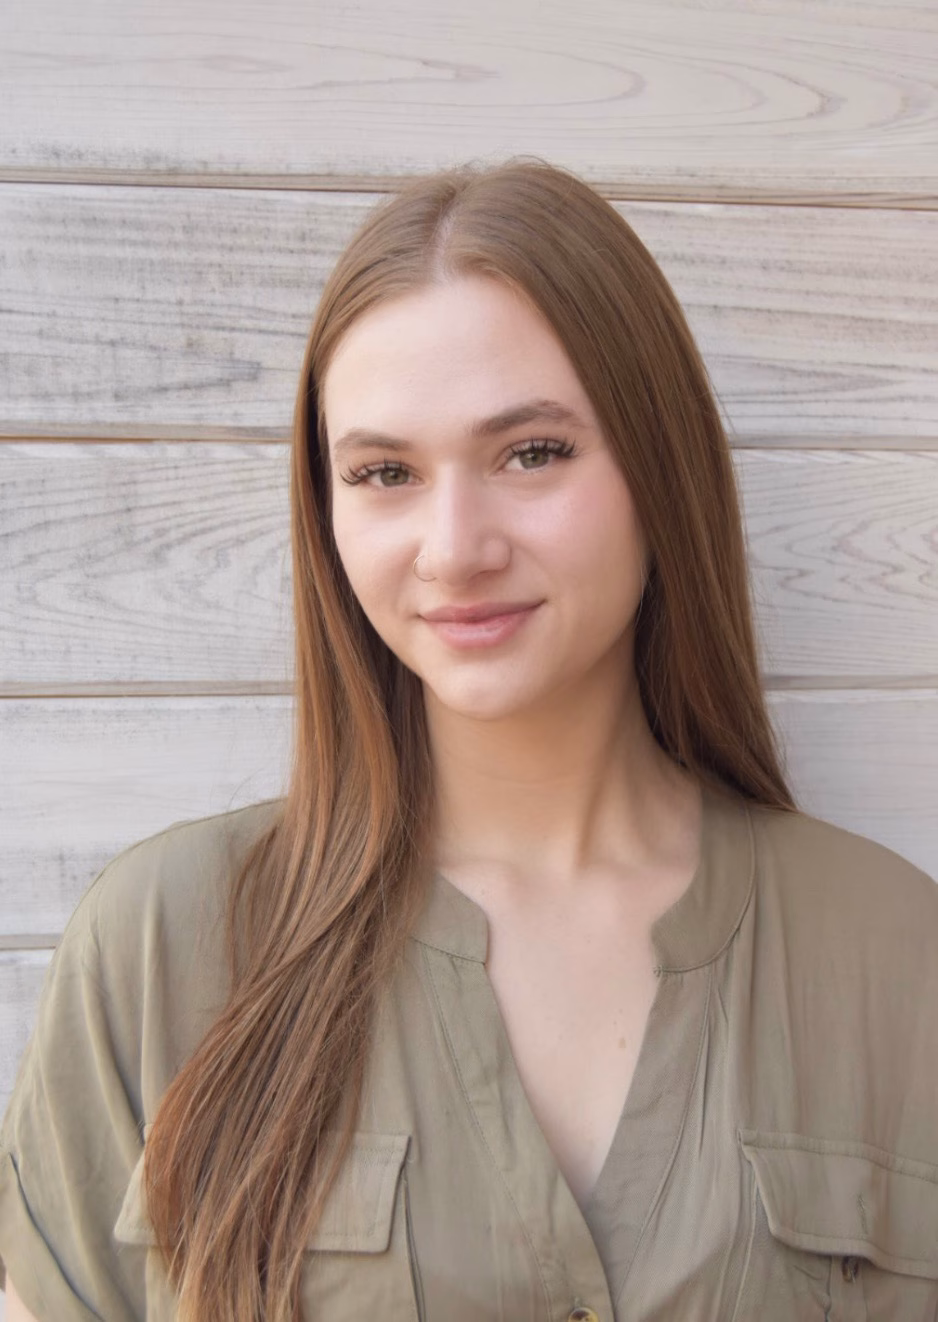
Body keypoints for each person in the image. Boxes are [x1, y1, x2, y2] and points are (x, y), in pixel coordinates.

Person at [2, 157, 937, 1322]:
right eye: (384, 471)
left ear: (658, 466)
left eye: (530, 451)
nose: (453, 547)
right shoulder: (158, 946)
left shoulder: (895, 957)